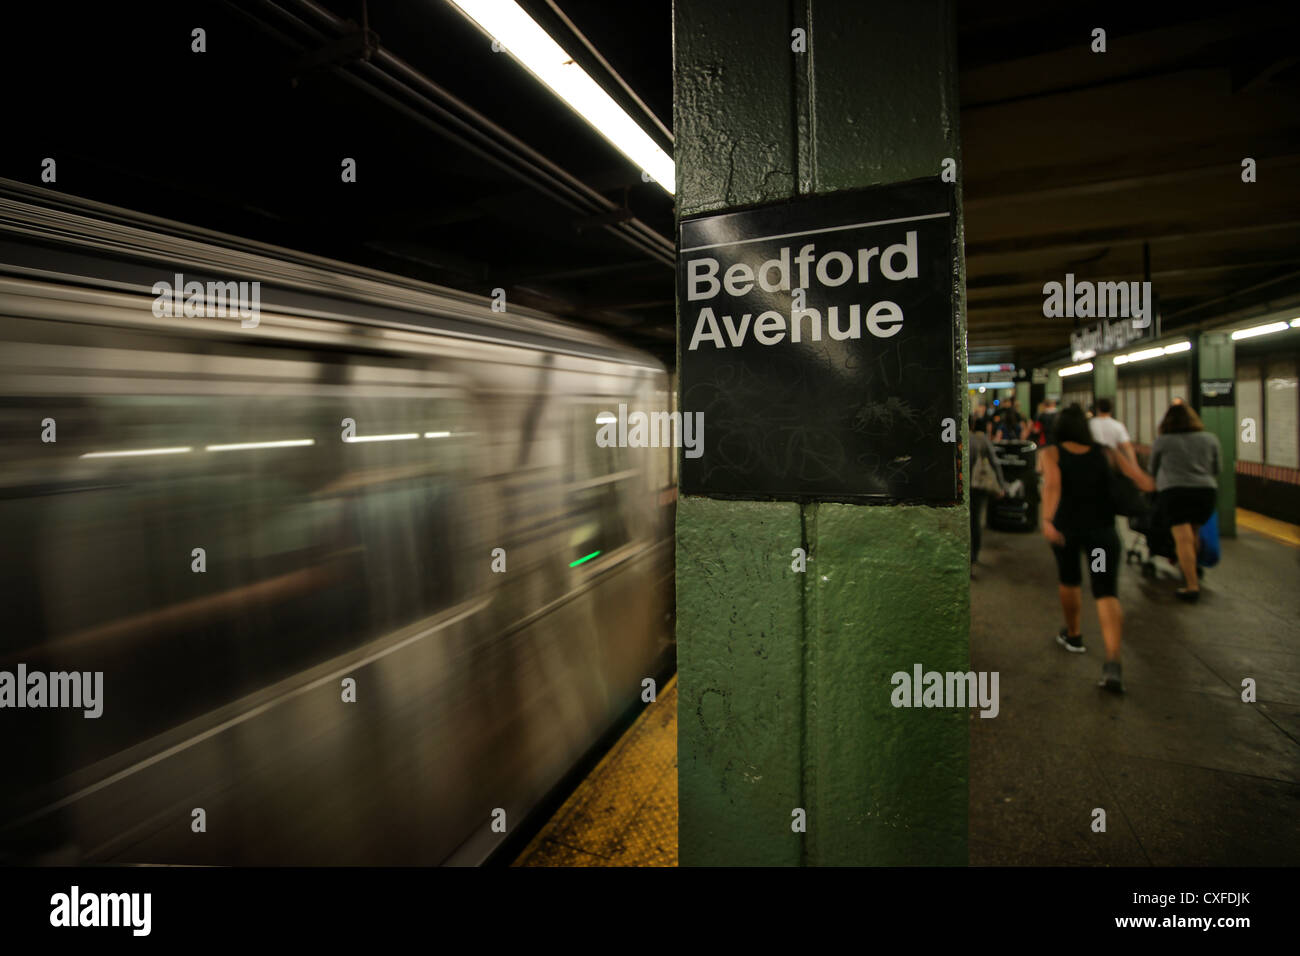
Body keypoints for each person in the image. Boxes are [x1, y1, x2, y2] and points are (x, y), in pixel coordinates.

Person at [1039, 403, 1156, 693]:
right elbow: (1142, 481)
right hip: (1101, 535)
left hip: (1067, 532)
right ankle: (1113, 661)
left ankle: (1074, 635)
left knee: (1070, 580)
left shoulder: (1051, 453)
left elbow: (1052, 486)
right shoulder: (1106, 452)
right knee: (1105, 591)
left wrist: (1047, 520)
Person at [1150, 403, 1221, 602]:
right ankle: (1191, 570)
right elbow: (1217, 468)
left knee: (1182, 539)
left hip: (1175, 493)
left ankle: (1191, 586)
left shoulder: (1163, 441)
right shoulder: (1210, 439)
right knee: (1194, 533)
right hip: (1205, 492)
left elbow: (1152, 469)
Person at [969, 414, 1006, 573]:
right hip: (979, 485)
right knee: (975, 521)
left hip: (962, 486)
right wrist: (1001, 485)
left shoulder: (958, 437)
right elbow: (995, 462)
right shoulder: (981, 439)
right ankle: (973, 556)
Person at [1088, 397, 1137, 465]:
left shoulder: (1090, 424)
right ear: (1111, 409)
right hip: (1112, 461)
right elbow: (1127, 447)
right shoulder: (1118, 425)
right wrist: (1134, 465)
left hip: (1093, 461)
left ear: (1097, 409)